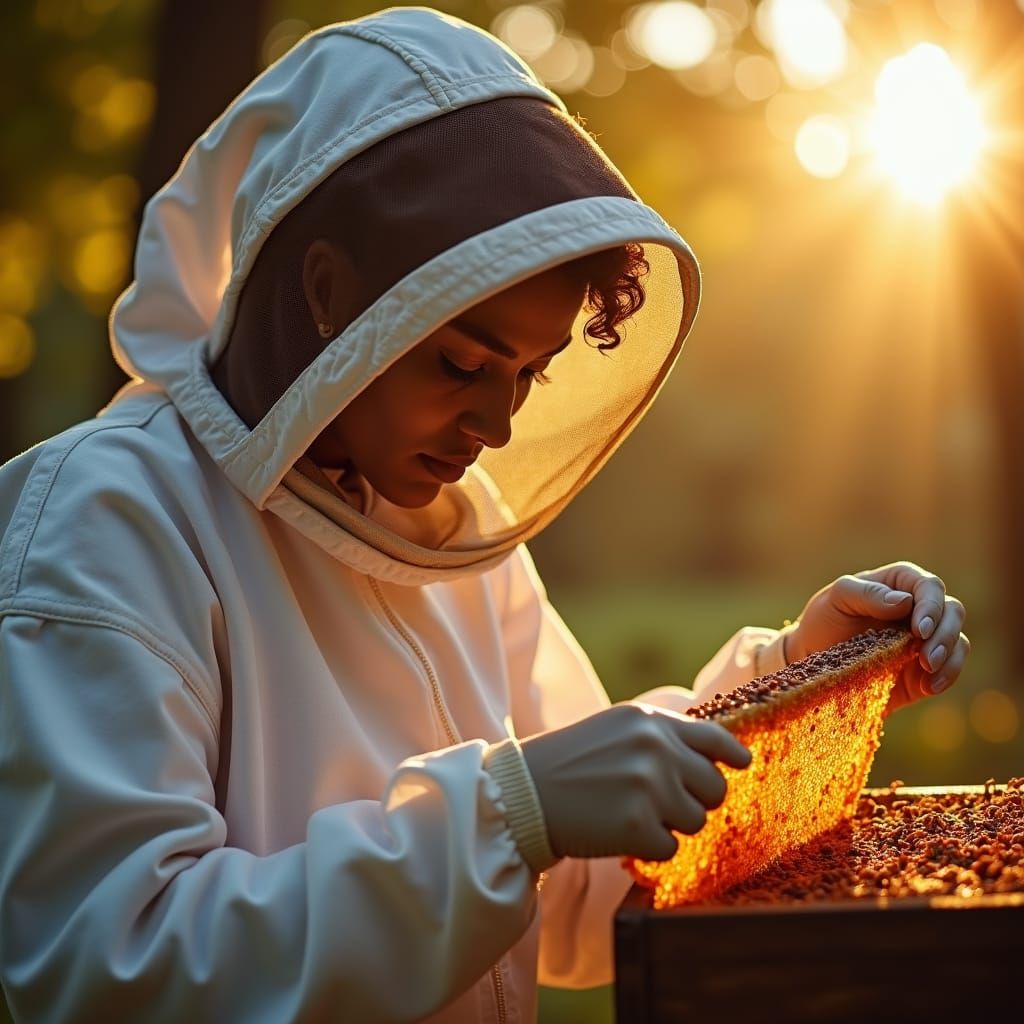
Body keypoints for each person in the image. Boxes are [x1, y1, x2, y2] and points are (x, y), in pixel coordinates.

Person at [0, 8, 969, 1023]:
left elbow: (581, 900)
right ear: (328, 294)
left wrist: (793, 681)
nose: (496, 424)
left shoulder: (453, 529)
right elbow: (110, 970)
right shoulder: (107, 517)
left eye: (528, 373)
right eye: (460, 362)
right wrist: (510, 813)